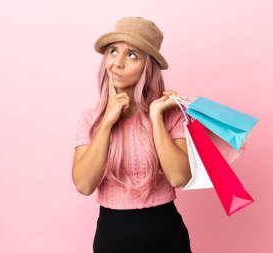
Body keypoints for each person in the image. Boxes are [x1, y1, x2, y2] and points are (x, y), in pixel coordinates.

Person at [72, 16, 193, 253]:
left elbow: (179, 177)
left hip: (166, 234)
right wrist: (107, 122)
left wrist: (156, 116)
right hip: (113, 235)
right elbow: (84, 185)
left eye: (132, 55)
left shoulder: (171, 115)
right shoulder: (91, 119)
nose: (117, 63)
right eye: (113, 51)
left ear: (147, 67)